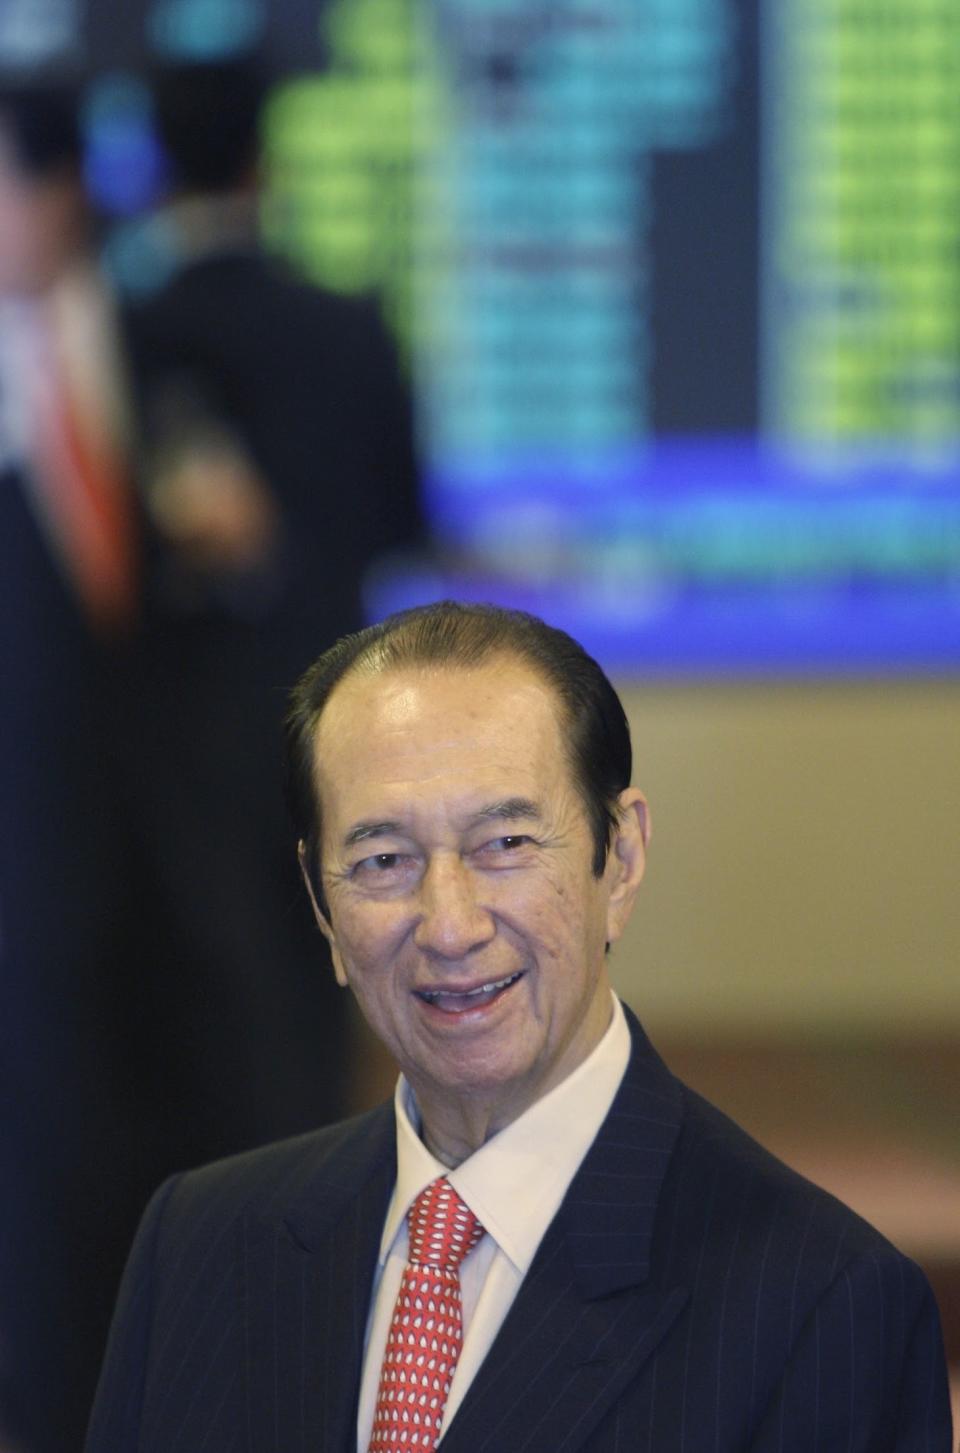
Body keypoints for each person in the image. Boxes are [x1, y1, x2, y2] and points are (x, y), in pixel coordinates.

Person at [87, 602, 952, 1452]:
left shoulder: (823, 1303)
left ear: (620, 857)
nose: (451, 924)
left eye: (504, 843)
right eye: (384, 860)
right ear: (320, 902)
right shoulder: (198, 1246)